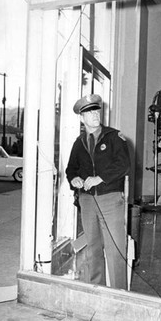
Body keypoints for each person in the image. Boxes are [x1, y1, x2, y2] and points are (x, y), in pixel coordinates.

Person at [66, 94, 131, 290]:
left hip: (110, 199)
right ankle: (97, 289)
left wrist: (99, 178)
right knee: (93, 248)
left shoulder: (114, 137)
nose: (95, 114)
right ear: (81, 118)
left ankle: (119, 293)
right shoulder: (79, 142)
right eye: (89, 112)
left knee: (115, 249)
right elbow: (71, 168)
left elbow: (123, 165)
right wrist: (74, 179)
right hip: (87, 202)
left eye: (96, 110)